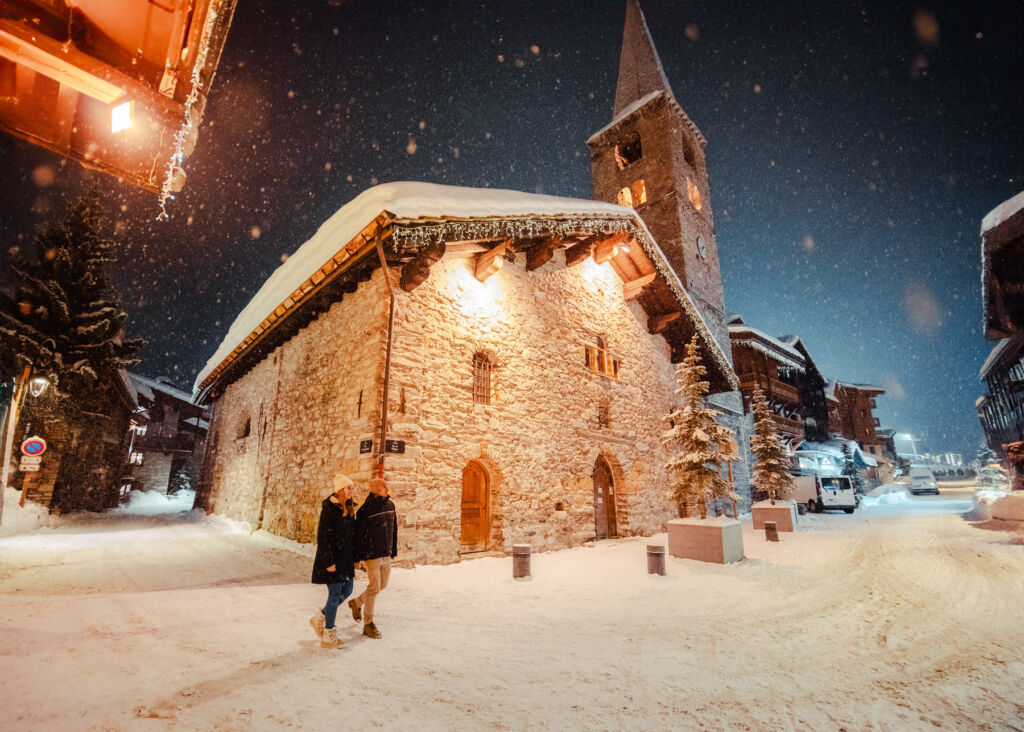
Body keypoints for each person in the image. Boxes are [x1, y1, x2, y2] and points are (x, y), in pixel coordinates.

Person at [310, 473, 358, 649]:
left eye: (352, 487)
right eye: (348, 487)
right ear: (340, 489)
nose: (351, 490)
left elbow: (353, 536)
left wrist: (355, 558)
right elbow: (323, 537)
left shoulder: (351, 508)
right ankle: (328, 634)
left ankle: (321, 616)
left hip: (346, 559)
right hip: (332, 559)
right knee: (335, 593)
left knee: (349, 589)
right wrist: (329, 561)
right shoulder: (329, 509)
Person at [347, 477, 397, 639]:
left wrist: (393, 550)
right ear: (375, 489)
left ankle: (356, 603)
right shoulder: (366, 510)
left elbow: (394, 530)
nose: (386, 488)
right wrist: (357, 557)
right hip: (372, 555)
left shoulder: (390, 505)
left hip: (386, 554)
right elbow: (358, 536)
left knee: (382, 585)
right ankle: (368, 624)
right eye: (383, 486)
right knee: (374, 588)